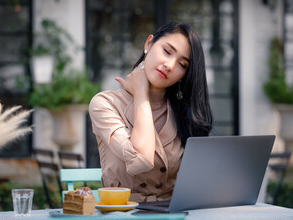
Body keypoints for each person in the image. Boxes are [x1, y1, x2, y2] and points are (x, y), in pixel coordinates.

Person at [89, 21, 213, 203]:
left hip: (172, 212)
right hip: (123, 212)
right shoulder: (105, 104)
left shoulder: (183, 113)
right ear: (149, 44)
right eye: (167, 51)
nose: (170, 65)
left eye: (182, 64)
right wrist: (141, 93)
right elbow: (141, 160)